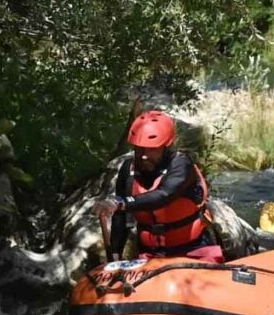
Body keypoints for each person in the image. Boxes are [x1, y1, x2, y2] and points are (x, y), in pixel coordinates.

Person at [94, 110, 223, 263]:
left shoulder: (181, 165)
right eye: (139, 148)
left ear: (166, 146)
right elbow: (120, 219)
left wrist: (119, 203)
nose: (144, 155)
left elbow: (164, 195)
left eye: (152, 149)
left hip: (193, 249)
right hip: (150, 254)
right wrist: (115, 258)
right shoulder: (128, 170)